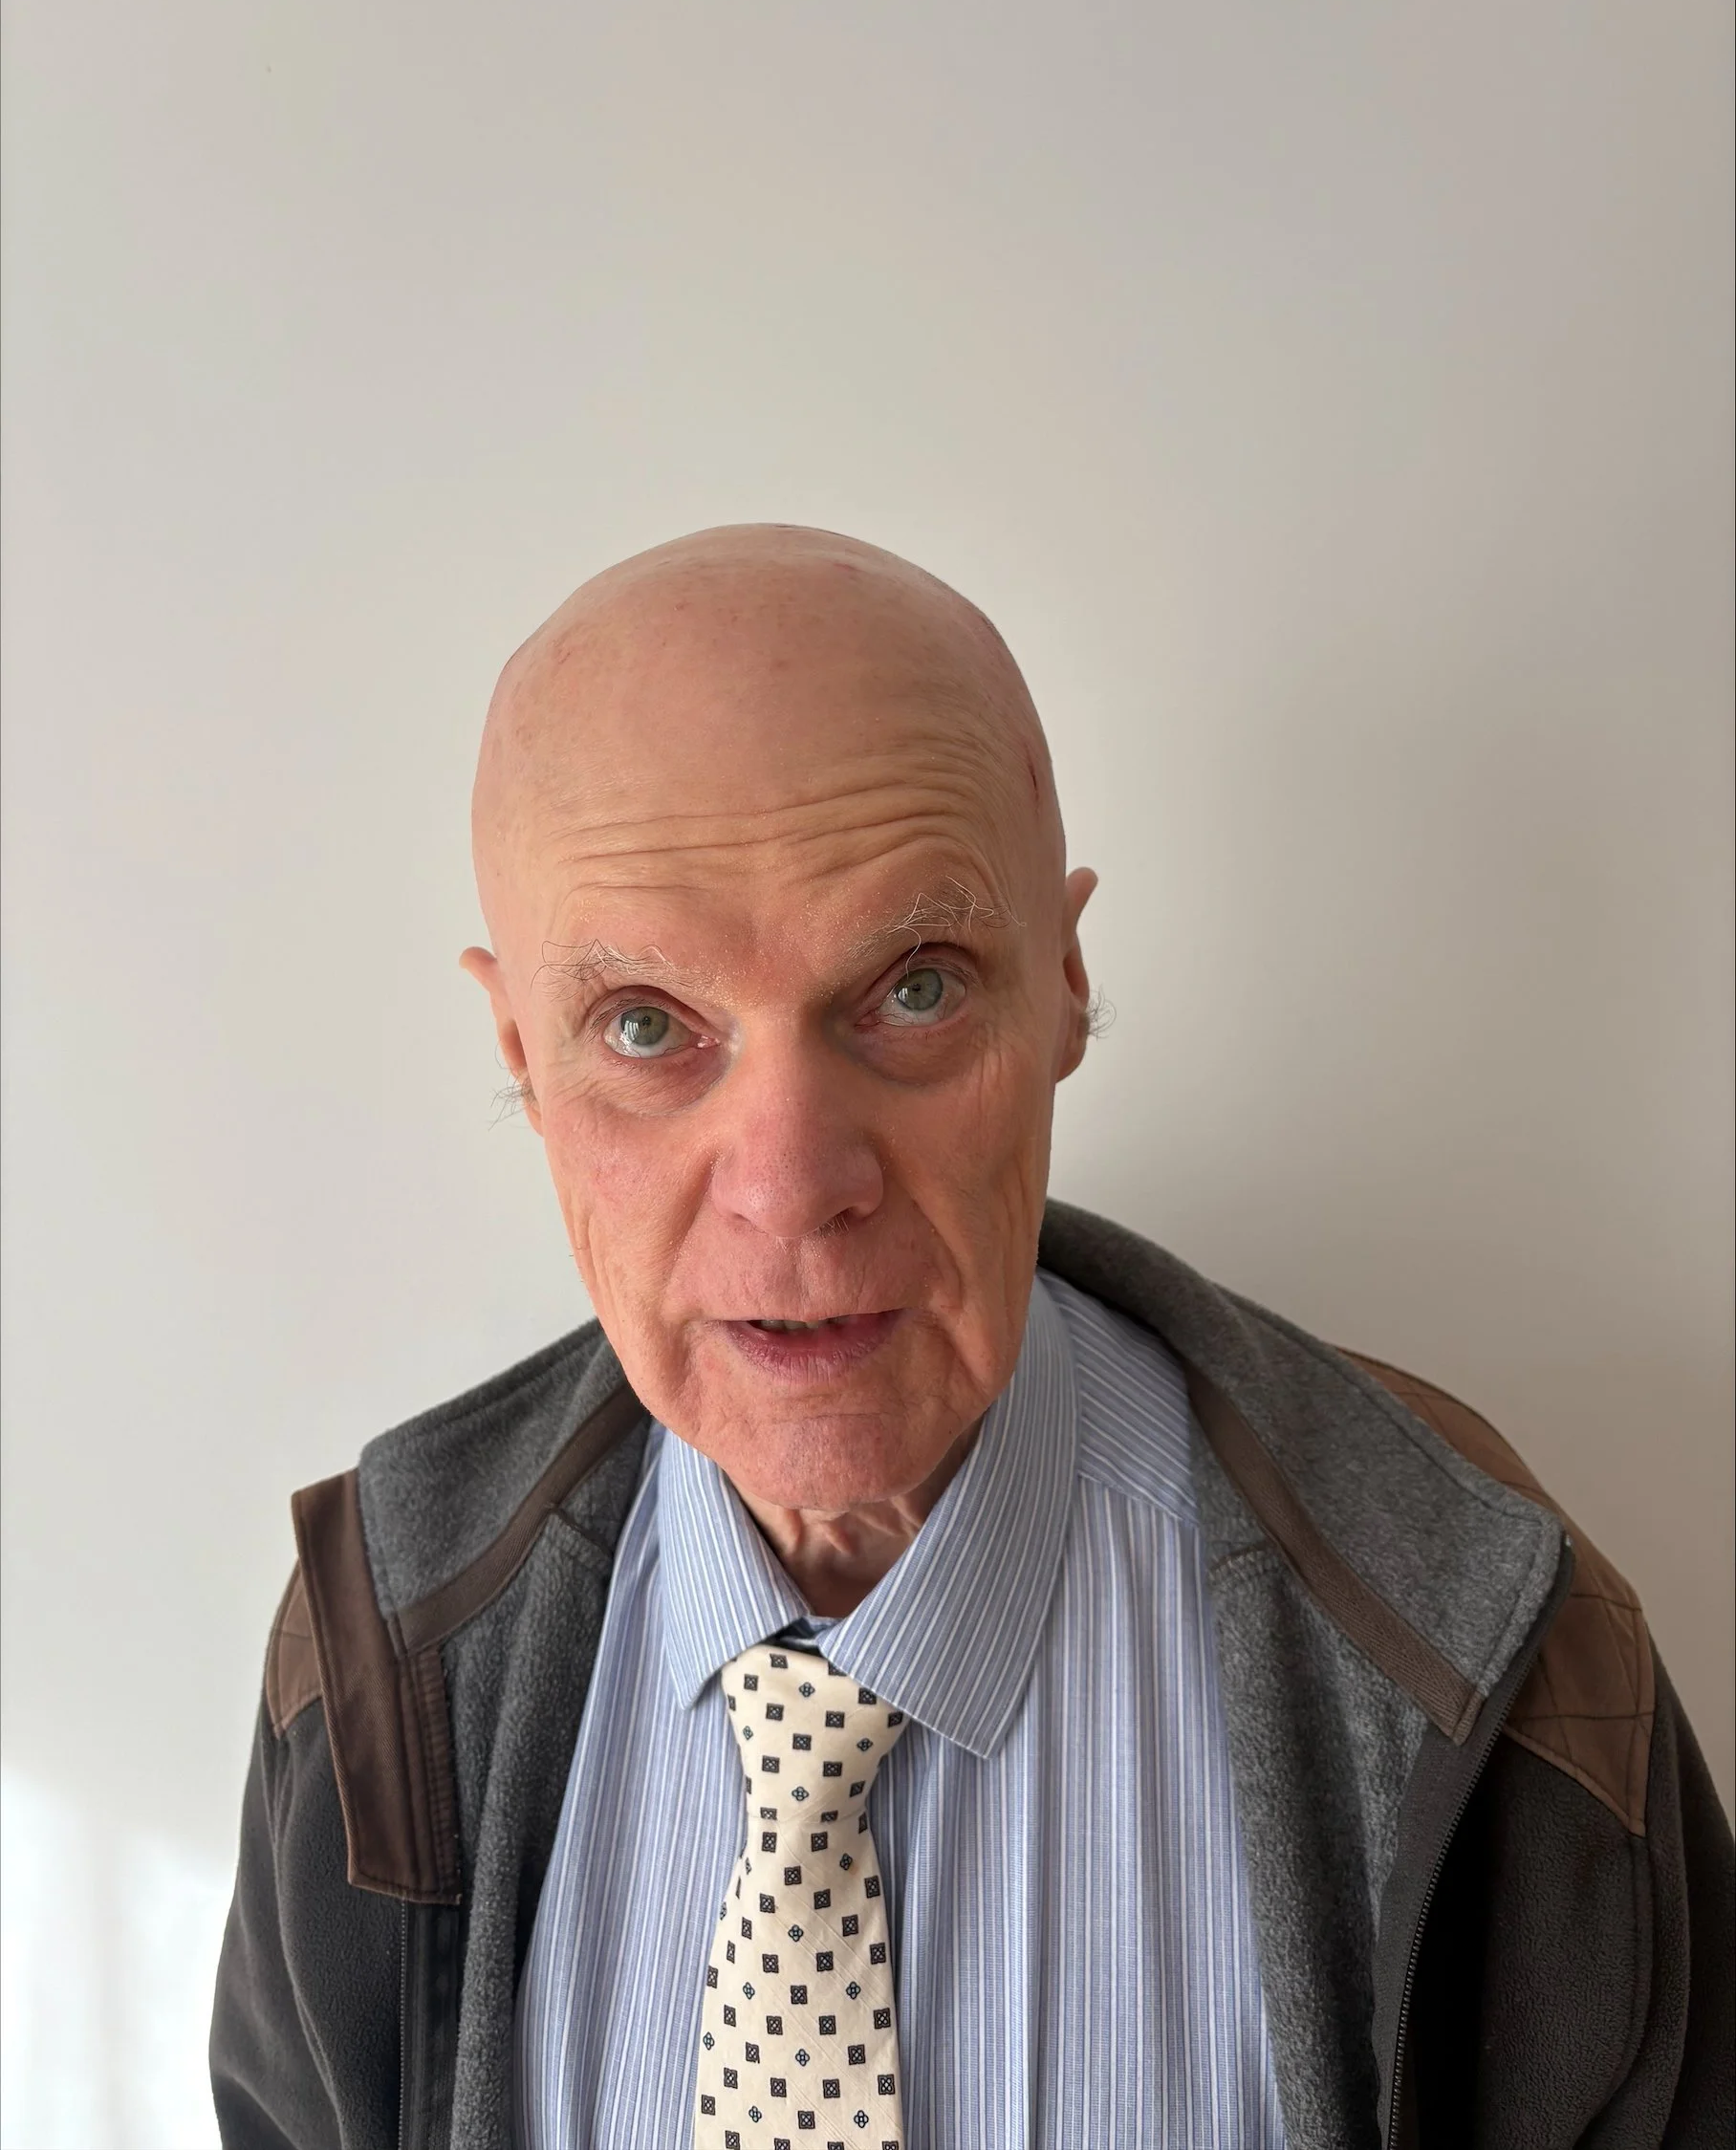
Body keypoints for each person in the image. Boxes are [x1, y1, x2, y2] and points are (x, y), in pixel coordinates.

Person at [210, 526, 1732, 2150]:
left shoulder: (1497, 1646)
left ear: (1062, 985)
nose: (793, 1191)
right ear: (521, 1049)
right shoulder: (376, 1646)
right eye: (647, 1027)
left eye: (914, 989)